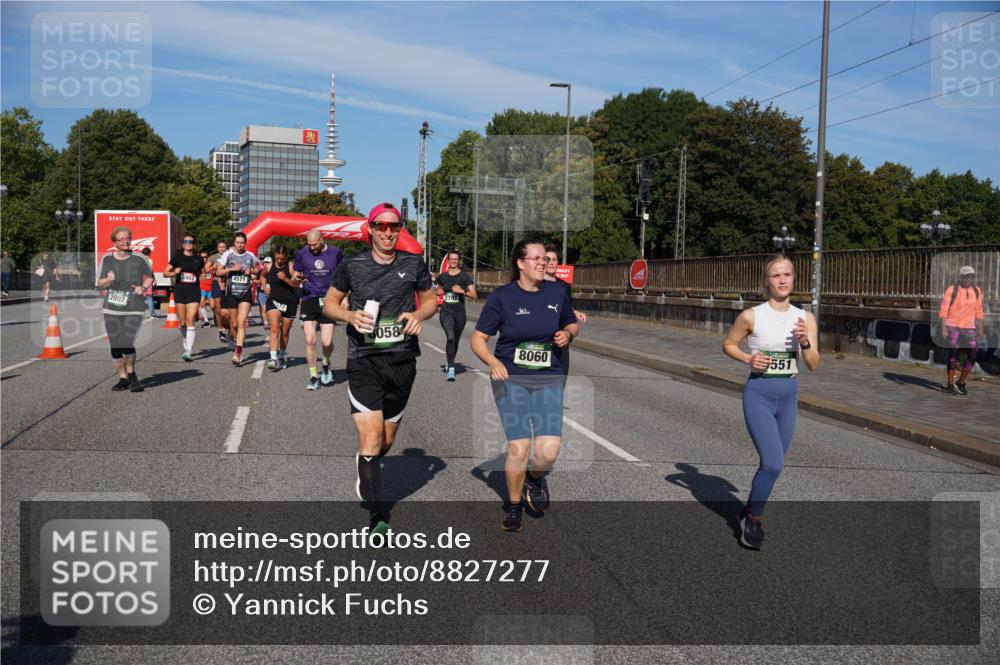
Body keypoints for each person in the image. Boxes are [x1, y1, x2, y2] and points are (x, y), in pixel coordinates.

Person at [323, 202, 437, 534]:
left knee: (385, 440)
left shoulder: (414, 262)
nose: (388, 232)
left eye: (394, 226)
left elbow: (430, 299)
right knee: (371, 437)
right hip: (364, 360)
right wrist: (348, 316)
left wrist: (418, 316)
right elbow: (330, 303)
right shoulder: (352, 265)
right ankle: (378, 516)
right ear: (370, 229)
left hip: (402, 360)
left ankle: (366, 463)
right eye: (381, 226)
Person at [470, 240, 579, 533]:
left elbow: (572, 323)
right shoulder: (502, 297)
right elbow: (477, 339)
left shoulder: (557, 292)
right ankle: (514, 507)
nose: (543, 263)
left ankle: (532, 478)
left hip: (548, 377)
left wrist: (567, 334)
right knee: (519, 448)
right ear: (521, 263)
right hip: (511, 378)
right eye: (537, 259)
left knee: (548, 452)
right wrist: (493, 362)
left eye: (545, 259)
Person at [722, 254, 819, 550]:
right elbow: (728, 344)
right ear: (767, 281)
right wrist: (749, 358)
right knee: (773, 463)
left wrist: (805, 342)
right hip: (759, 394)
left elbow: (814, 363)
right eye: (776, 275)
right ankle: (753, 521)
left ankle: (749, 507)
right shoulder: (752, 315)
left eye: (787, 274)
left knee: (773, 464)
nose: (782, 280)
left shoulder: (806, 318)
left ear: (793, 279)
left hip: (788, 396)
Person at [95, 226, 154, 392]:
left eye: (128, 238)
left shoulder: (140, 258)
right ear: (114, 242)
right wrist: (108, 278)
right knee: (115, 345)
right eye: (121, 239)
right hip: (112, 306)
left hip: (134, 305)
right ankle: (122, 378)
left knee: (127, 342)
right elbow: (99, 282)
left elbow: (150, 278)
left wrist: (142, 287)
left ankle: (132, 374)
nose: (125, 241)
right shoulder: (107, 259)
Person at [293, 229, 344, 390]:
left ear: (322, 239)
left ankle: (326, 363)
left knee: (326, 341)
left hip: (329, 299)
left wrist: (345, 298)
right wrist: (296, 278)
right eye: (309, 245)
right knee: (310, 340)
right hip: (309, 298)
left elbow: (344, 276)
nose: (312, 248)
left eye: (314, 245)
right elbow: (295, 277)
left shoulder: (336, 253)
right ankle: (314, 376)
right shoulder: (302, 254)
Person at [216, 232, 263, 366]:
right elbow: (218, 271)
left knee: (241, 323)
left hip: (245, 293)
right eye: (237, 242)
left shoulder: (249, 255)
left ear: (245, 243)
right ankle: (233, 339)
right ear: (233, 243)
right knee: (234, 324)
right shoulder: (228, 255)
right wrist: (231, 269)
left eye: (242, 242)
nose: (240, 245)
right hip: (231, 292)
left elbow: (259, 268)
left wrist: (251, 271)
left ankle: (238, 352)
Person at [939, 265, 985, 396]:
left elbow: (979, 310)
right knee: (954, 354)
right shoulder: (951, 290)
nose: (968, 279)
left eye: (971, 277)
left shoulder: (977, 291)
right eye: (966, 277)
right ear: (960, 277)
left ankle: (961, 382)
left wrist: (981, 329)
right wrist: (943, 328)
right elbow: (944, 310)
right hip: (952, 325)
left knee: (973, 354)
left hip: (969, 327)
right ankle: (949, 384)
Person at [543, 245, 587, 375]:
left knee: (559, 382)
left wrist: (574, 311)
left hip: (559, 338)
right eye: (548, 259)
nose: (551, 262)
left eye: (554, 259)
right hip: (540, 340)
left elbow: (565, 306)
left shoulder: (563, 286)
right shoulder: (535, 284)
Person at [437, 250, 477, 381]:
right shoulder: (442, 276)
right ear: (448, 260)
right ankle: (452, 369)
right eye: (451, 259)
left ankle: (450, 362)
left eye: (455, 259)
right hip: (446, 311)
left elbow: (474, 295)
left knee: (455, 341)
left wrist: (462, 291)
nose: (453, 261)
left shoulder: (464, 277)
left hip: (460, 313)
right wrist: (436, 292)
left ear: (458, 261)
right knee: (450, 337)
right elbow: (439, 289)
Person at [164, 234, 205, 362]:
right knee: (182, 322)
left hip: (194, 290)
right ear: (183, 245)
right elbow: (165, 273)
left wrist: (203, 277)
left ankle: (189, 351)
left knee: (190, 318)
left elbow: (202, 273)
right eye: (186, 241)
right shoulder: (177, 257)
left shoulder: (198, 259)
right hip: (180, 290)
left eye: (190, 242)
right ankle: (186, 337)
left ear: (194, 244)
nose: (188, 243)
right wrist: (174, 273)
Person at [263, 246, 299, 371]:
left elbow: (296, 284)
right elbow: (262, 276)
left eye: (282, 259)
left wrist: (285, 279)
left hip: (290, 302)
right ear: (274, 256)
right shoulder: (268, 266)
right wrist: (265, 287)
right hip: (274, 301)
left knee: (285, 332)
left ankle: (282, 356)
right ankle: (273, 358)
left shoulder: (291, 266)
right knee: (274, 328)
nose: (279, 261)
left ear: (286, 257)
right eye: (277, 258)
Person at [208, 241, 229, 344]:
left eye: (223, 247)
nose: (222, 249)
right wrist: (215, 267)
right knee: (218, 308)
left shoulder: (230, 255)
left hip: (228, 282)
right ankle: (221, 331)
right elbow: (206, 269)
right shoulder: (213, 257)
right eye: (220, 247)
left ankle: (228, 328)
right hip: (216, 282)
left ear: (226, 248)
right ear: (217, 248)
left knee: (229, 307)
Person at [198, 250, 215, 328]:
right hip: (202, 288)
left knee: (213, 306)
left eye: (205, 257)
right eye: (201, 257)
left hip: (211, 288)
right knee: (202, 304)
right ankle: (206, 321)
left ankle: (216, 318)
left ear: (208, 258)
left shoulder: (211, 266)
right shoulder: (198, 267)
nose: (203, 258)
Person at [140, 247, 158, 317]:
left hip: (140, 277)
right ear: (149, 253)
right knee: (149, 297)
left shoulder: (139, 260)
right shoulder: (150, 261)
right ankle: (152, 313)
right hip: (148, 278)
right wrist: (154, 279)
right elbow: (151, 271)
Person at [258, 255, 273, 330]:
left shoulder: (273, 271)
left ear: (271, 263)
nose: (266, 264)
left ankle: (271, 322)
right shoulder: (260, 271)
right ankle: (266, 323)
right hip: (262, 292)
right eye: (265, 262)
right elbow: (254, 279)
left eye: (268, 262)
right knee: (264, 309)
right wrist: (259, 281)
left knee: (270, 309)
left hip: (271, 293)